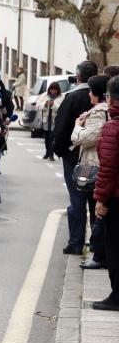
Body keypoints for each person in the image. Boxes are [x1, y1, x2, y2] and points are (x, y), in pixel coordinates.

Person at [54, 60, 100, 255]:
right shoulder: (103, 99)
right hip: (98, 156)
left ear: (78, 76)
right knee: (95, 200)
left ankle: (76, 242)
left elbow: (61, 127)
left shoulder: (72, 98)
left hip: (74, 155)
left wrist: (59, 150)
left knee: (77, 199)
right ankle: (97, 243)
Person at [70, 75, 109, 270]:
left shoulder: (99, 113)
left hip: (96, 166)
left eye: (90, 90)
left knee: (98, 211)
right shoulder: (103, 111)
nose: (88, 93)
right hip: (103, 164)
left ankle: (99, 252)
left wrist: (77, 126)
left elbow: (86, 139)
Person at [93, 75, 119, 311]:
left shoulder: (112, 127)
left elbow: (109, 168)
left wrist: (101, 199)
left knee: (114, 247)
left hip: (116, 198)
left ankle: (117, 296)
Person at [37, 82, 63, 160]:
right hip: (46, 119)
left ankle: (51, 154)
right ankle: (47, 153)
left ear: (58, 90)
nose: (53, 91)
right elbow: (38, 106)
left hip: (54, 120)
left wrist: (53, 105)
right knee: (46, 137)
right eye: (52, 89)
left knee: (52, 137)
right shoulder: (44, 95)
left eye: (55, 90)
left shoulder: (61, 97)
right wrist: (45, 104)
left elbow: (61, 109)